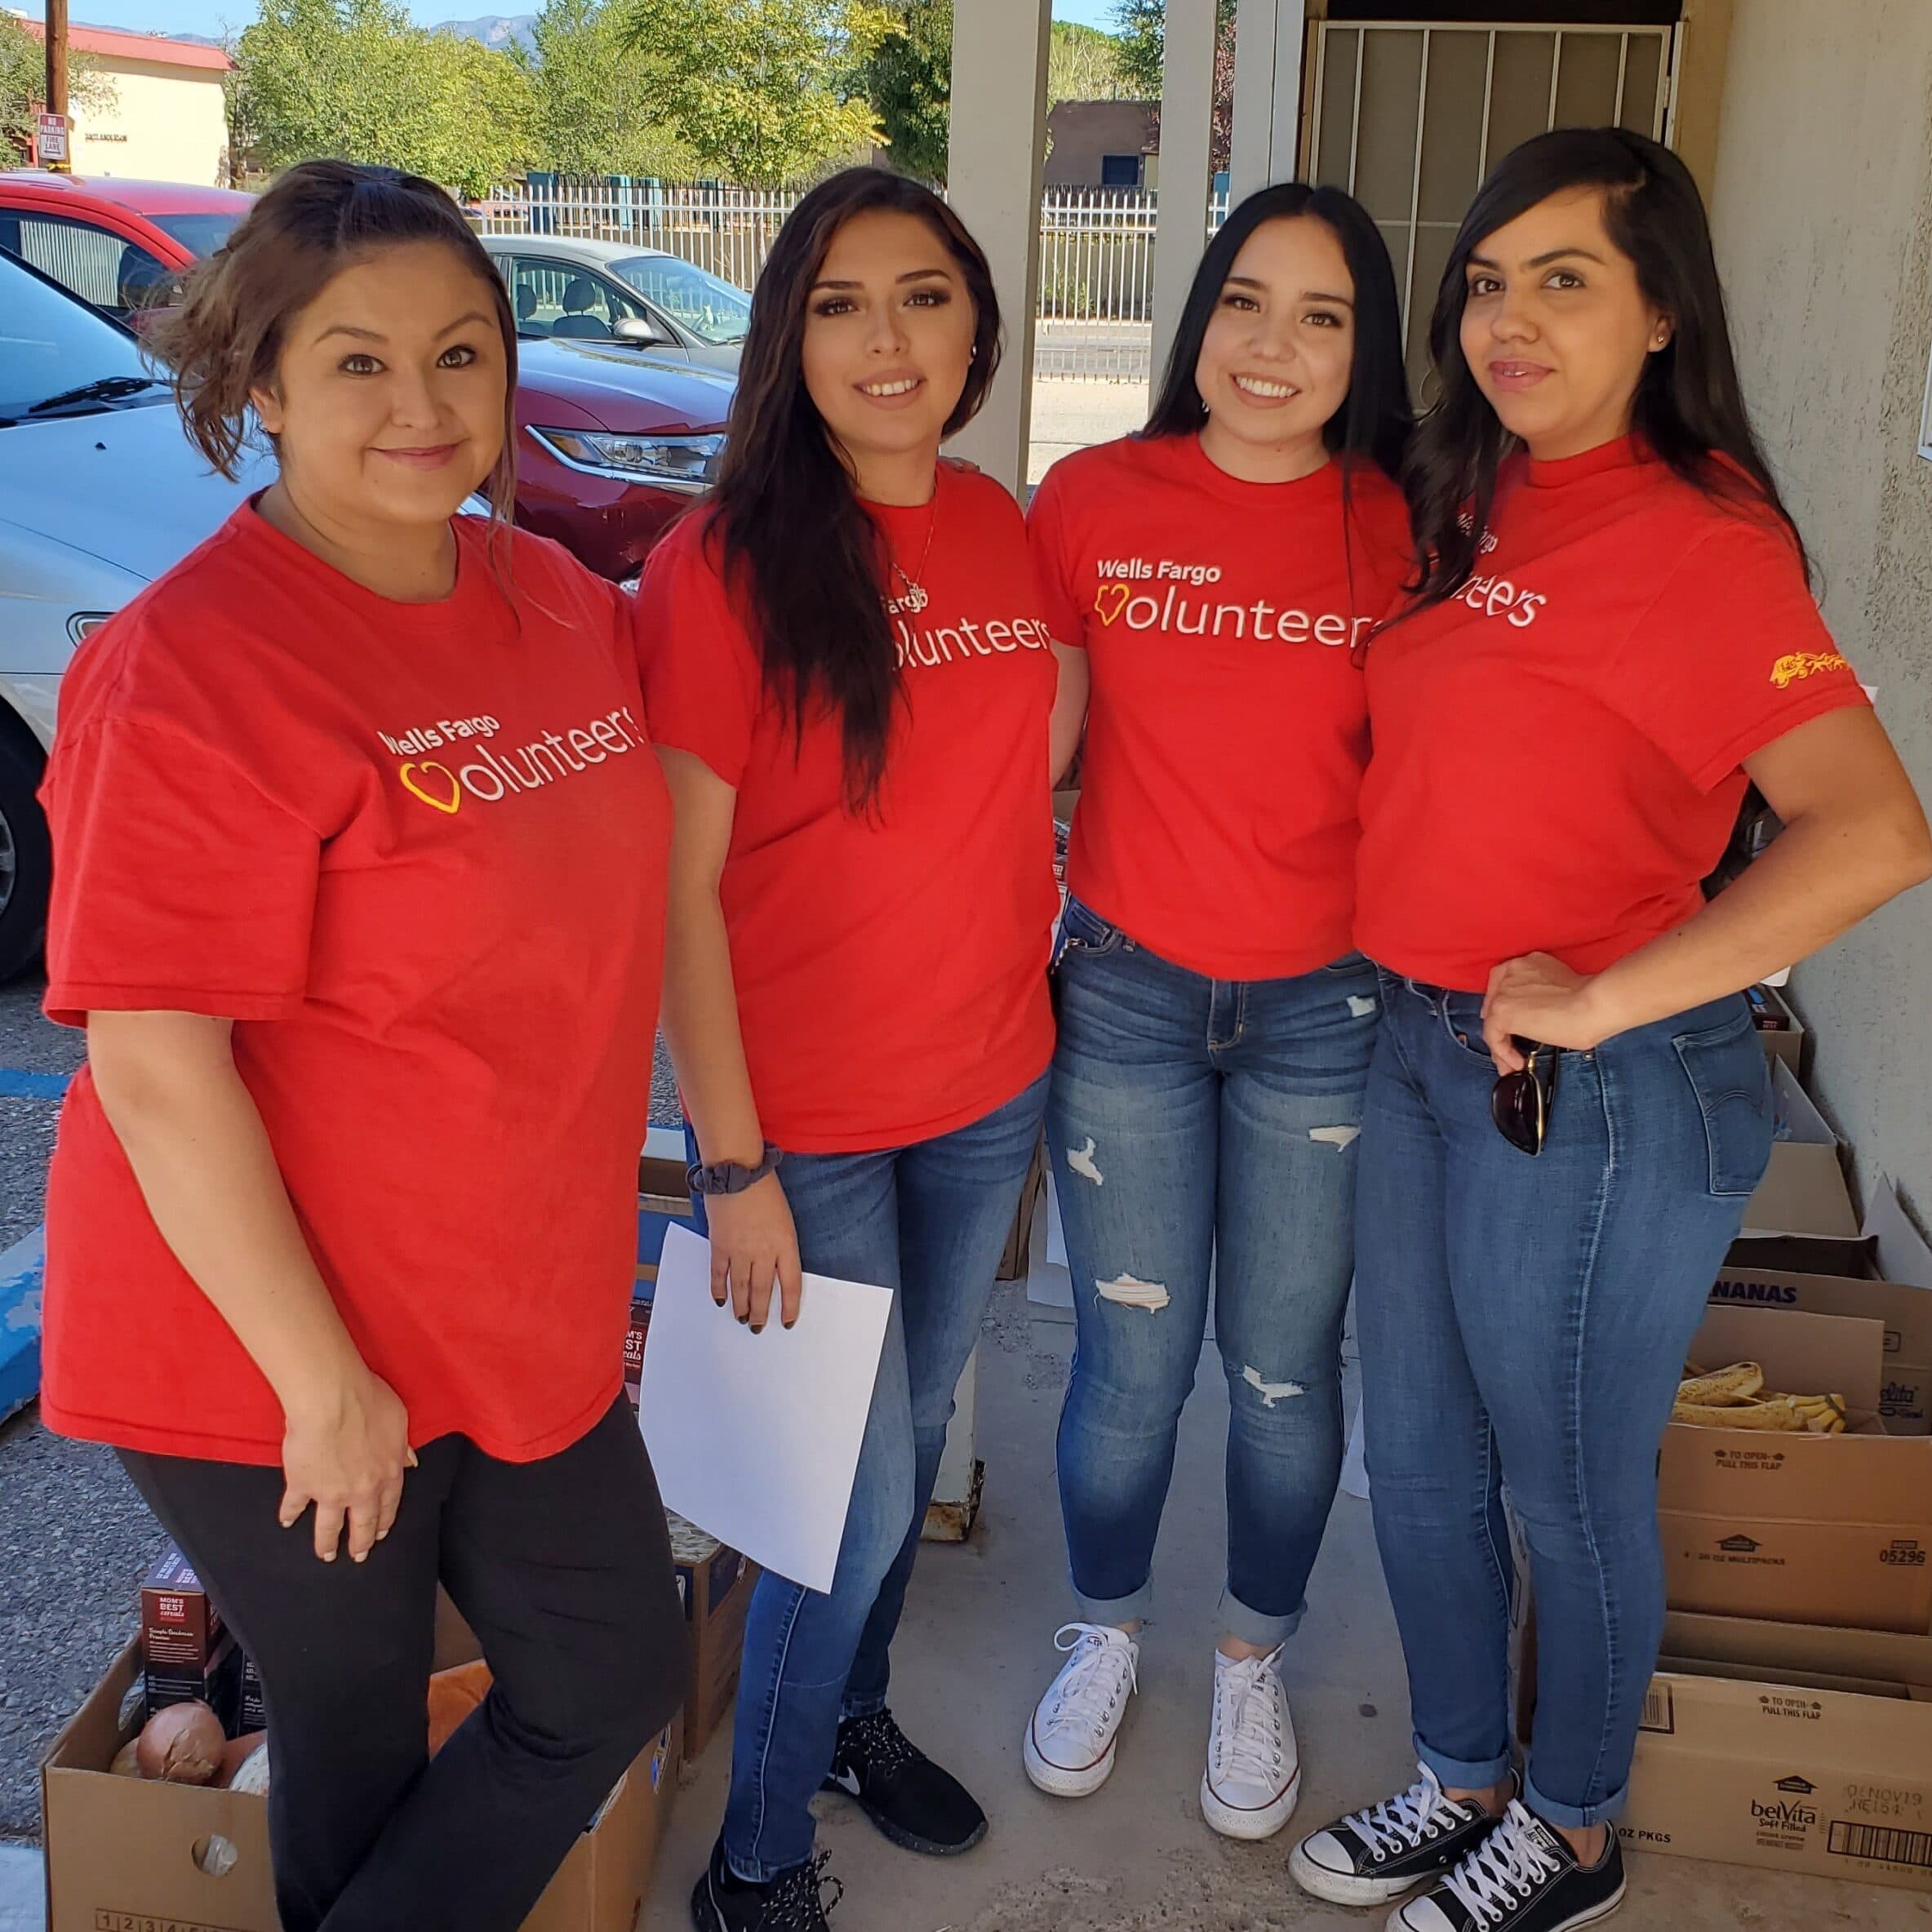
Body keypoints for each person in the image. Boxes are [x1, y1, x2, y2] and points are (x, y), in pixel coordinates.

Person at [1290, 128, 1931, 1932]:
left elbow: (1873, 832)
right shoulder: (1473, 484)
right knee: (1410, 1457)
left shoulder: (1702, 538)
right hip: (1416, 1049)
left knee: (1564, 1487)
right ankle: (1457, 1772)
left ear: (1659, 312)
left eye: (1562, 280)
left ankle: (1569, 1826)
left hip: (1597, 1088)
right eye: (1487, 280)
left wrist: (1604, 991)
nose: (1508, 318)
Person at [37, 161, 684, 1932]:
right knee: (354, 1738)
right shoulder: (192, 668)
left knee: (610, 1665)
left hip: (503, 1293)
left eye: (462, 354)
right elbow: (159, 1071)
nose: (422, 404)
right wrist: (323, 1387)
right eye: (357, 362)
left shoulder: (550, 597)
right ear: (259, 384)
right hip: (269, 1336)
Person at [635, 167, 1073, 1932]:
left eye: (920, 296)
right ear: (784, 339)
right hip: (799, 1125)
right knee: (837, 1494)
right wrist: (730, 1167)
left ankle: (846, 1719)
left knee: (907, 1436)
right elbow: (674, 900)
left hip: (986, 1087)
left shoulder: (1002, 524)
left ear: (975, 323)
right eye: (835, 302)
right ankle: (751, 1861)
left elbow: (1036, 763)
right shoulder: (718, 565)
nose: (884, 338)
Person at [1018, 181, 1412, 1841]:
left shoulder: (1400, 524)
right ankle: (1103, 1623)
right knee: (1127, 1358)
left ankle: (1249, 1650)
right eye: (1245, 302)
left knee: (1278, 1368)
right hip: (1123, 986)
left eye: (1319, 316)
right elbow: (1027, 744)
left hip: (1328, 1003)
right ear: (1197, 317)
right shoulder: (1094, 498)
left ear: (1360, 347)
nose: (1273, 346)